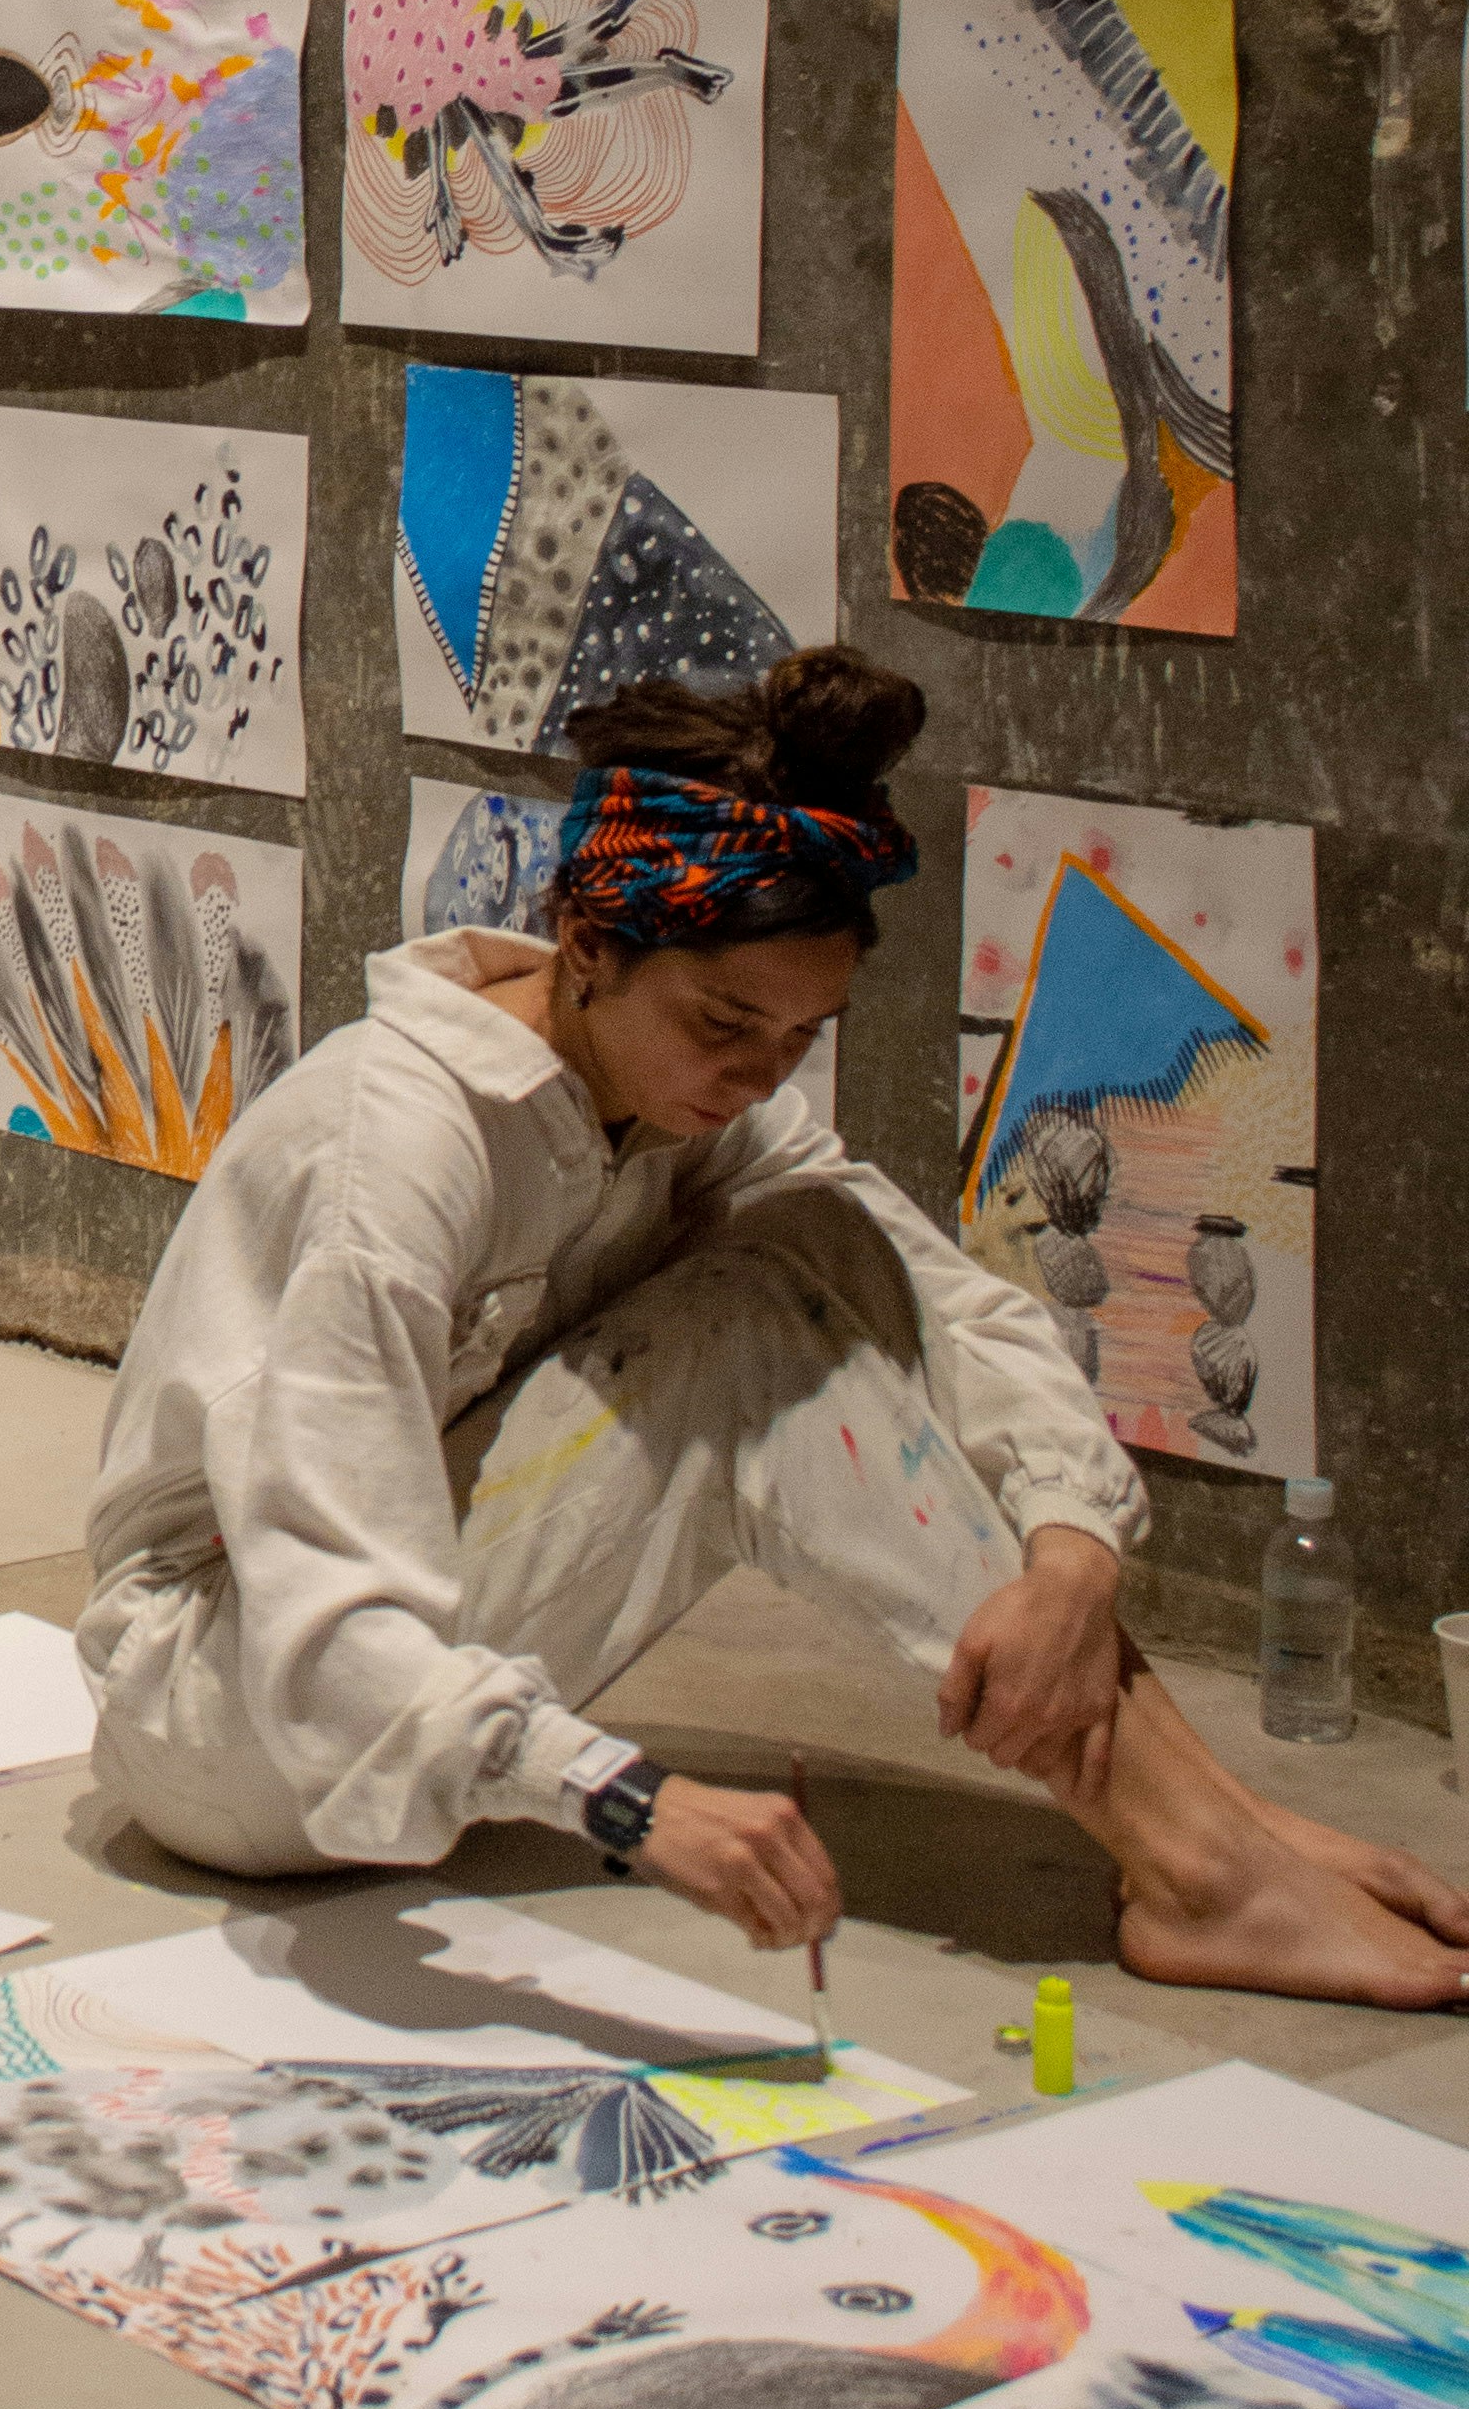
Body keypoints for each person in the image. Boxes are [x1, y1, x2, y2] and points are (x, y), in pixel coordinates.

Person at [77, 651, 1466, 2010]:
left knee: (816, 1235)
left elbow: (941, 1300)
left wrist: (1073, 1543)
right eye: (726, 1021)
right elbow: (331, 1615)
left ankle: (1213, 1833)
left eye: (802, 1036)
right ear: (586, 945)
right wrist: (621, 1801)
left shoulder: (682, 1093)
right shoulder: (396, 1150)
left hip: (365, 1669)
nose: (756, 1072)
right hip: (231, 1709)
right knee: (748, 1333)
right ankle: (1204, 1863)